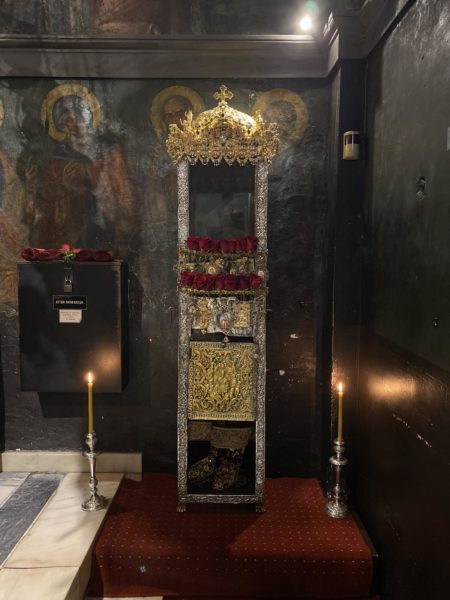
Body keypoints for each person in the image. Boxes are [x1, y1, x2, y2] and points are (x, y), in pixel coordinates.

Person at [35, 83, 138, 254]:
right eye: (66, 116)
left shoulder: (109, 151)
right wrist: (66, 188)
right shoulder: (58, 159)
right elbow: (49, 200)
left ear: (88, 116)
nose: (72, 121)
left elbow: (122, 193)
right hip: (71, 230)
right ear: (60, 123)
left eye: (77, 113)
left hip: (105, 226)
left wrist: (94, 179)